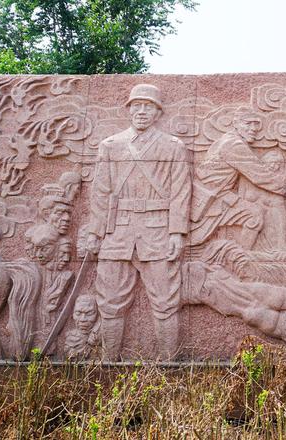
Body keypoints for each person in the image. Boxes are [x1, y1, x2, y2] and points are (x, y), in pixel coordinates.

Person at [86, 84, 191, 360]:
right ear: (129, 110)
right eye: (136, 105)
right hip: (116, 232)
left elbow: (181, 192)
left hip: (157, 231)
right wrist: (95, 233)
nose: (141, 111)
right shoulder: (111, 145)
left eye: (148, 106)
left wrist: (177, 233)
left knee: (166, 303)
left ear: (158, 112)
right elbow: (100, 192)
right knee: (109, 304)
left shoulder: (173, 147)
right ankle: (109, 363)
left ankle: (168, 366)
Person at [192, 107, 286, 248]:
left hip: (217, 194)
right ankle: (241, 256)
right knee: (255, 215)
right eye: (248, 123)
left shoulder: (224, 140)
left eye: (256, 124)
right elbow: (260, 176)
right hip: (212, 199)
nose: (253, 128)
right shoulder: (234, 145)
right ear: (236, 124)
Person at [64, 294, 100, 360]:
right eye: (78, 313)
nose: (83, 319)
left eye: (89, 313)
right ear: (72, 314)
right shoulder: (70, 338)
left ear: (97, 314)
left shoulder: (102, 334)